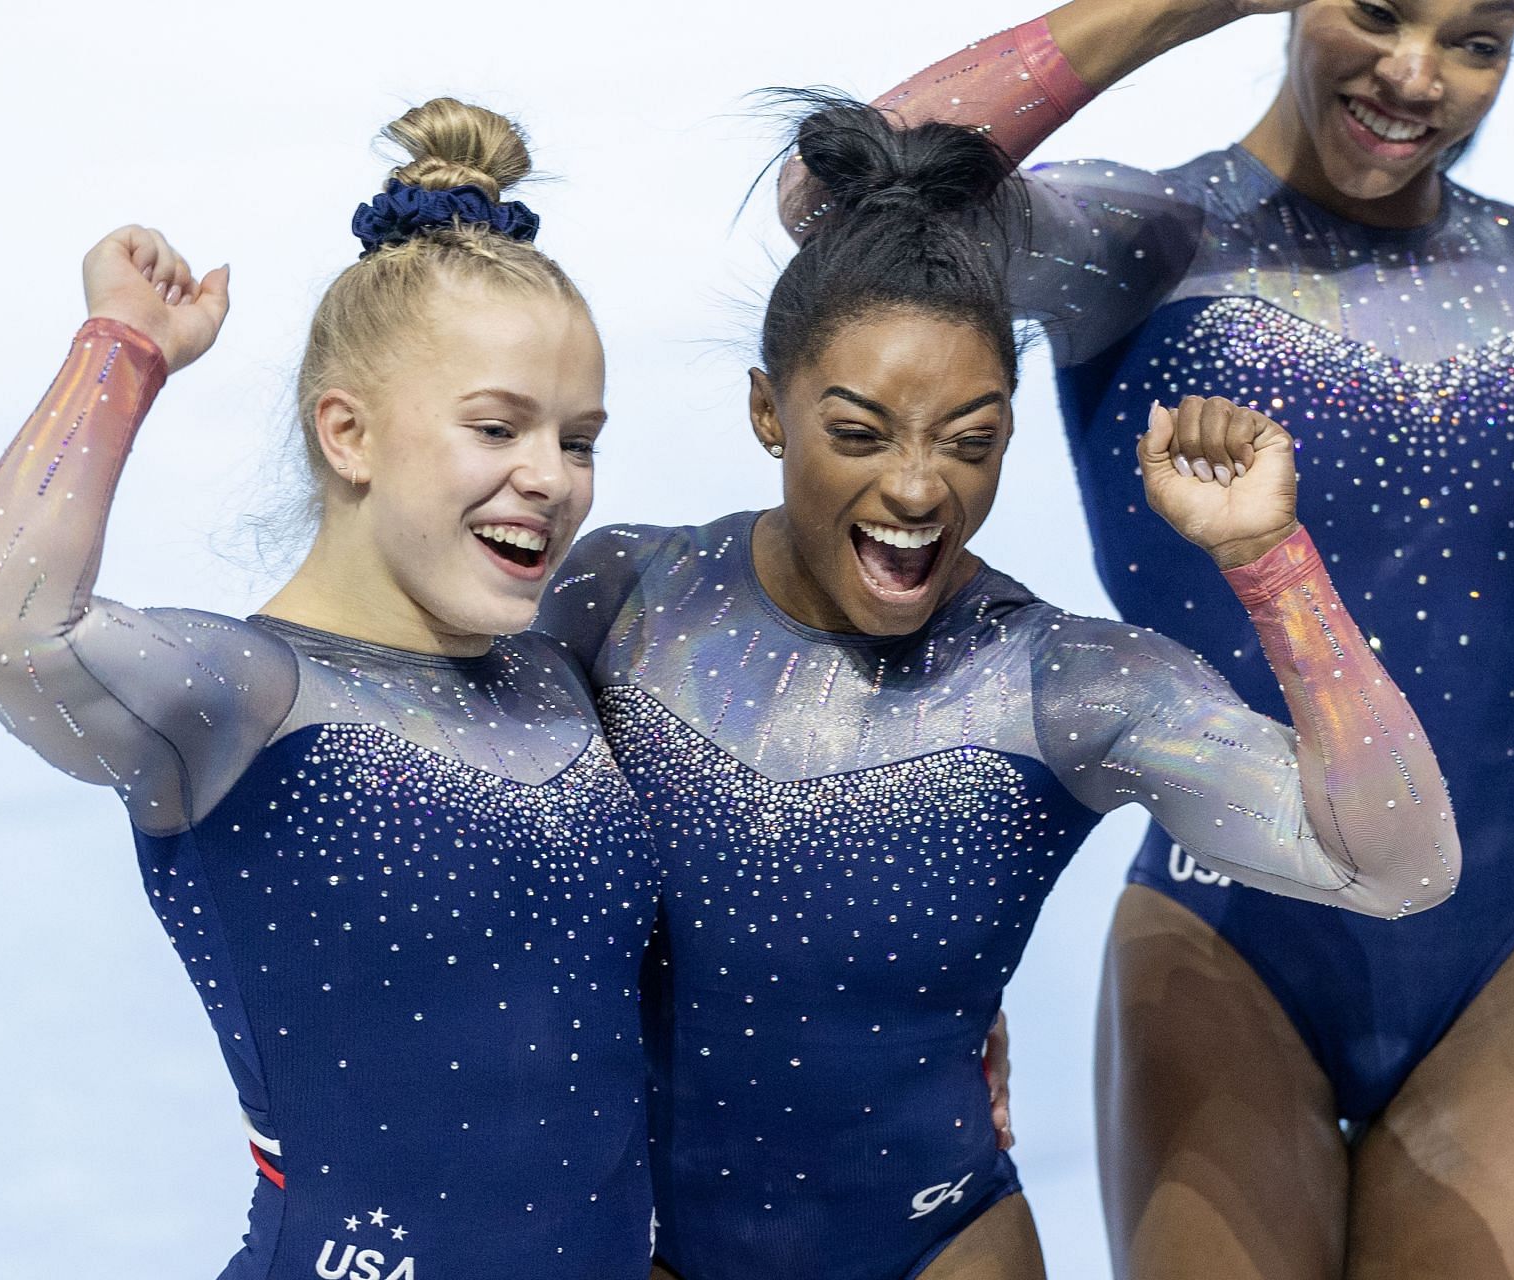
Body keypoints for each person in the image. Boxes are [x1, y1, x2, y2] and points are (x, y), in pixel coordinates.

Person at [542, 98, 1459, 1280]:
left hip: (941, 1241)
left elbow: (1400, 862)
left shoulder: (1064, 681)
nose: (920, 487)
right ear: (770, 410)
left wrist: (1269, 563)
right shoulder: (627, 595)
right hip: (645, 1244)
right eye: (861, 433)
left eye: (969, 438)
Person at [798, 2, 1514, 1275]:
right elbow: (842, 203)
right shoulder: (1152, 242)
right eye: (1376, 8)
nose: (1414, 72)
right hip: (1228, 942)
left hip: (1506, 949)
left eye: (1478, 39)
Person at [0, 100, 659, 1279]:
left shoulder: (557, 673)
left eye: (578, 439)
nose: (550, 478)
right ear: (349, 433)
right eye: (497, 426)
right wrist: (123, 348)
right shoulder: (245, 699)